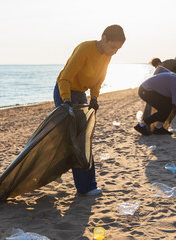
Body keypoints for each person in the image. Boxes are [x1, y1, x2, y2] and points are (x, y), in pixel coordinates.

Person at [53, 24, 125, 195]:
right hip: (65, 91)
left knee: (82, 139)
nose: (114, 52)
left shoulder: (107, 54)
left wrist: (94, 98)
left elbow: (99, 79)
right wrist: (67, 101)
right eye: (113, 47)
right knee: (75, 138)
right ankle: (86, 187)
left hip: (81, 93)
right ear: (104, 38)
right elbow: (64, 78)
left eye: (118, 49)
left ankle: (61, 172)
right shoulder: (85, 49)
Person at [134, 71, 176, 136]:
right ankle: (141, 126)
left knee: (169, 106)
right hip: (145, 91)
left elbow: (161, 68)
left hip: (149, 89)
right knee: (164, 110)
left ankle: (158, 128)